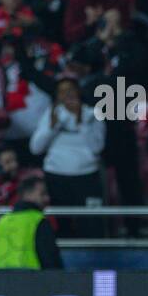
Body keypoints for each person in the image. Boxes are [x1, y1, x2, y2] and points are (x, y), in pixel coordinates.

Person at [28, 76, 105, 237]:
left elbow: (97, 148)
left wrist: (81, 123)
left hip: (87, 177)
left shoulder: (93, 114)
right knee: (62, 226)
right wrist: (52, 127)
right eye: (62, 92)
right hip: (56, 177)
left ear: (78, 92)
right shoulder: (51, 114)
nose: (67, 95)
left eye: (70, 90)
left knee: (91, 226)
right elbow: (35, 148)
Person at [0, 174, 61, 270]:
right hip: (29, 281)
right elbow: (50, 261)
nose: (47, 198)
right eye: (43, 194)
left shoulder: (1, 221)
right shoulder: (38, 221)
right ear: (28, 194)